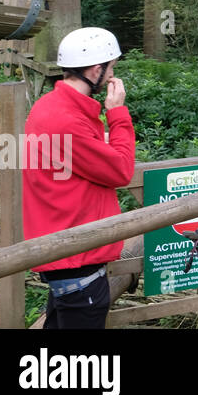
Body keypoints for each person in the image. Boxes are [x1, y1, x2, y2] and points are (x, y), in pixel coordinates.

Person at [22, 27, 135, 329]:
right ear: (96, 69)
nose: (112, 76)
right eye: (111, 68)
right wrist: (118, 114)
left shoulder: (49, 106)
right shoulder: (66, 121)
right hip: (77, 253)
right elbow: (122, 170)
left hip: (64, 246)